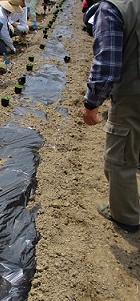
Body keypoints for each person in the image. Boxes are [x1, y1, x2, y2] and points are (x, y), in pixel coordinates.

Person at [83, 0, 140, 233]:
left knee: (120, 159)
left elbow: (107, 63)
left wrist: (92, 102)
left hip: (132, 93)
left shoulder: (113, 7)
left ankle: (126, 215)